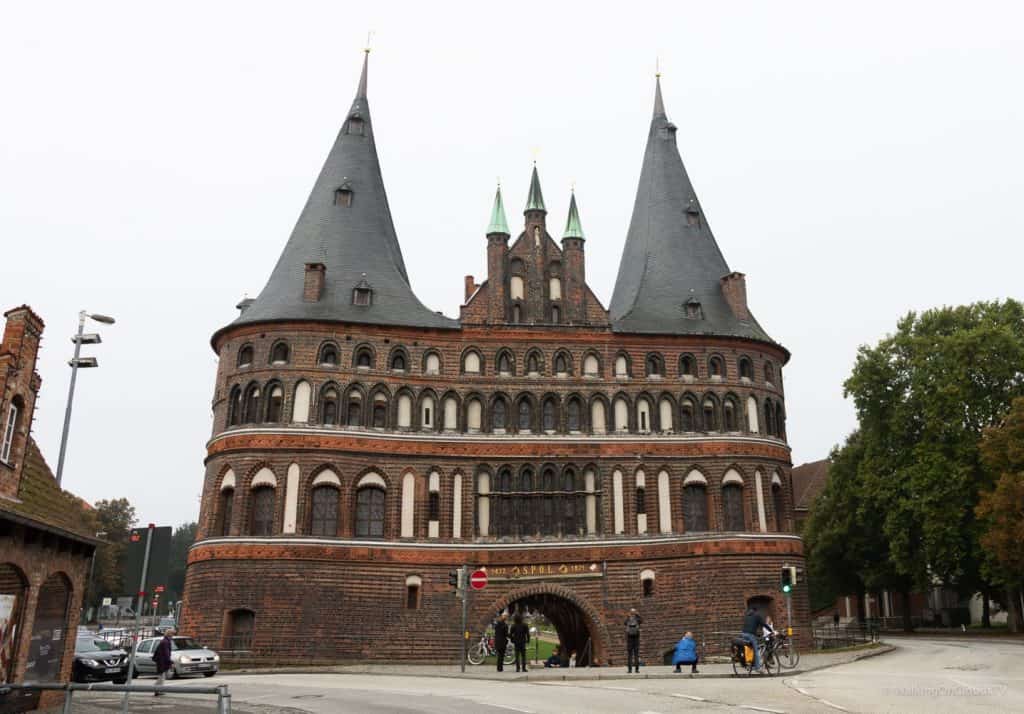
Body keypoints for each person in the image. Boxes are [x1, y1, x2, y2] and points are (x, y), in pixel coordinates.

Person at [740, 607, 765, 671]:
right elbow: (763, 624)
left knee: (748, 648)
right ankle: (758, 668)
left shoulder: (747, 616)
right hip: (750, 635)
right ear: (755, 611)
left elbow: (748, 626)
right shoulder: (757, 615)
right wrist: (771, 631)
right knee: (756, 651)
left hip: (743, 634)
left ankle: (748, 664)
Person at [153, 628, 175, 696]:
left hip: (161, 661)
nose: (173, 636)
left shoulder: (164, 641)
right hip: (162, 662)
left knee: (161, 676)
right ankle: (157, 690)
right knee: (161, 677)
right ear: (170, 634)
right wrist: (170, 662)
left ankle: (158, 690)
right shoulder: (166, 642)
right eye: (173, 634)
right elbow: (166, 653)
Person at [624, 607, 643, 673]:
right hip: (636, 638)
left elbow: (625, 623)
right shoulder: (637, 619)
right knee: (636, 654)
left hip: (629, 639)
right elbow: (641, 621)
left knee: (630, 655)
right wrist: (637, 615)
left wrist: (627, 616)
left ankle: (629, 670)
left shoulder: (628, 619)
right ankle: (637, 670)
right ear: (635, 612)